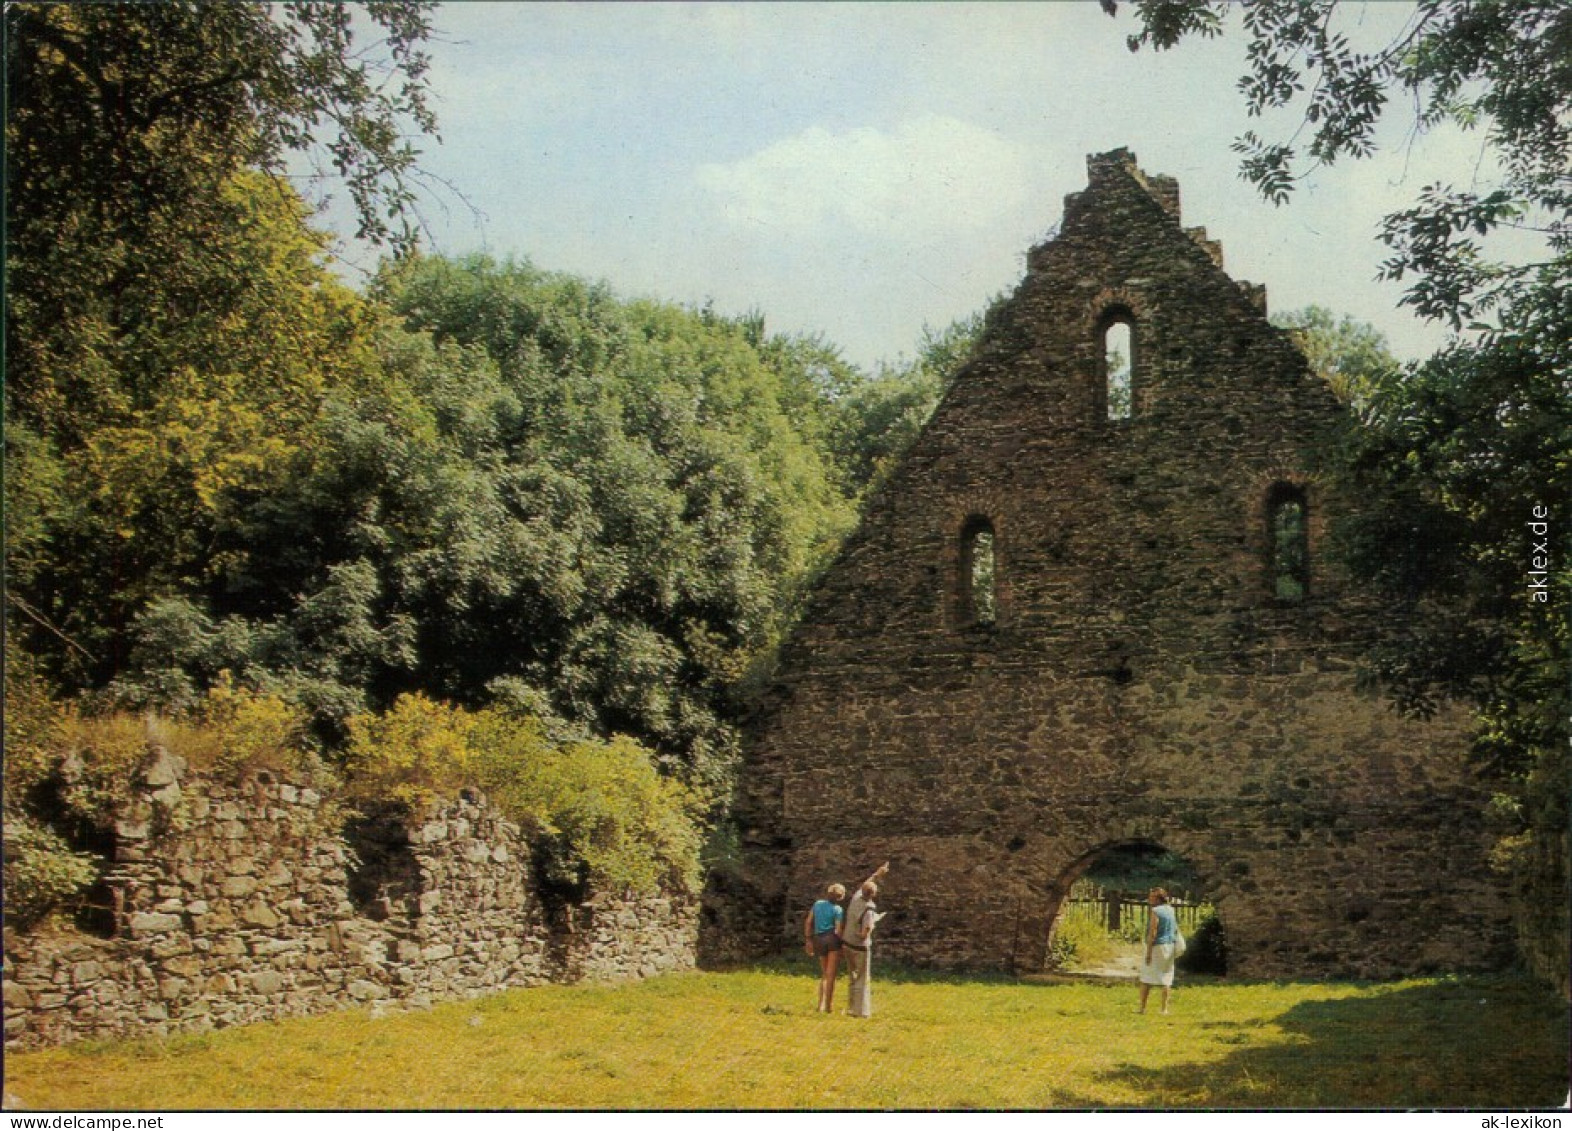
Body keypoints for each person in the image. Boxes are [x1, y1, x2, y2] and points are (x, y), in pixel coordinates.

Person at [841, 862, 889, 1018]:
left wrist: (877, 873)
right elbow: (865, 932)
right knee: (862, 978)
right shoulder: (869, 909)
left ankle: (850, 1007)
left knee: (852, 977)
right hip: (860, 946)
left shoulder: (855, 898)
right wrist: (872, 925)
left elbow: (866, 883)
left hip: (847, 943)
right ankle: (860, 1011)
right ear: (873, 895)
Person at [803, 882, 847, 1012]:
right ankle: (828, 1006)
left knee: (824, 973)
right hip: (831, 939)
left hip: (818, 938)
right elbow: (838, 930)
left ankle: (820, 1004)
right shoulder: (838, 909)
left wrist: (808, 939)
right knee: (831, 974)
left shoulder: (817, 904)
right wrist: (843, 943)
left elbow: (808, 921)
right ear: (840, 897)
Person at [1138, 886, 1180, 1015]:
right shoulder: (1170, 910)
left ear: (1158, 899)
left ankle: (1142, 1008)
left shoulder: (1156, 911)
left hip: (1157, 946)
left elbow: (1153, 932)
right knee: (1166, 977)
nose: (1149, 899)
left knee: (1146, 977)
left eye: (1152, 897)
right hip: (1169, 945)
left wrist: (1149, 952)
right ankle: (1164, 1009)